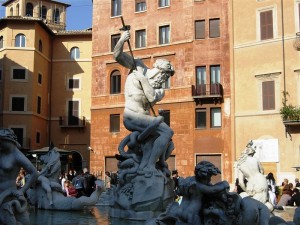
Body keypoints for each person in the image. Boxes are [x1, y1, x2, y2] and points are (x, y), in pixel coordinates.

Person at [113, 30, 175, 174]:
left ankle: (154, 163)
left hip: (144, 118)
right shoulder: (139, 66)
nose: (164, 80)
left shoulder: (159, 90)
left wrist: (142, 79)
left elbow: (152, 97)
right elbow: (117, 56)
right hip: (132, 116)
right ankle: (148, 167)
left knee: (168, 143)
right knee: (167, 131)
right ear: (160, 71)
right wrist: (122, 40)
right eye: (165, 76)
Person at [0, 128, 38, 225]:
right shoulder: (1, 152)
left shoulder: (17, 155)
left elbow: (34, 172)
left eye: (2, 141)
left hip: (10, 196)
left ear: (9, 141)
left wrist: (22, 191)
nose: (0, 144)